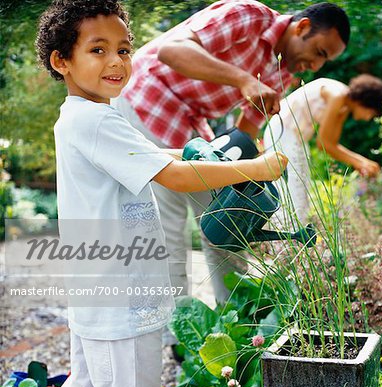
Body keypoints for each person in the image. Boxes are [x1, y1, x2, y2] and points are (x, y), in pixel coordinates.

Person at [35, 1, 287, 387]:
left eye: (125, 49)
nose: (116, 61)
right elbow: (172, 176)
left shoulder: (85, 117)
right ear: (62, 61)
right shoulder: (95, 122)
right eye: (98, 50)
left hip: (99, 295)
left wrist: (196, 149)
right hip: (123, 302)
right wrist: (258, 168)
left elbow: (162, 157)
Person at [114, 0, 351, 306]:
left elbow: (246, 130)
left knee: (226, 223)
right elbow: (170, 50)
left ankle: (238, 318)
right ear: (302, 27)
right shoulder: (249, 16)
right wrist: (244, 80)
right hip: (149, 100)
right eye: (319, 52)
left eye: (325, 61)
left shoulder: (283, 72)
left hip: (191, 123)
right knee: (168, 224)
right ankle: (173, 329)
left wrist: (242, 187)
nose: (317, 66)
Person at [263, 75, 382, 222]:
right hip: (283, 132)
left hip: (296, 138)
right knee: (291, 190)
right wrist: (360, 163)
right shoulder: (337, 95)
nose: (368, 118)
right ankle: (285, 238)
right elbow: (322, 142)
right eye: (371, 113)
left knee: (302, 189)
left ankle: (295, 235)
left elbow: (330, 146)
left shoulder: (343, 107)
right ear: (366, 102)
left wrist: (362, 162)